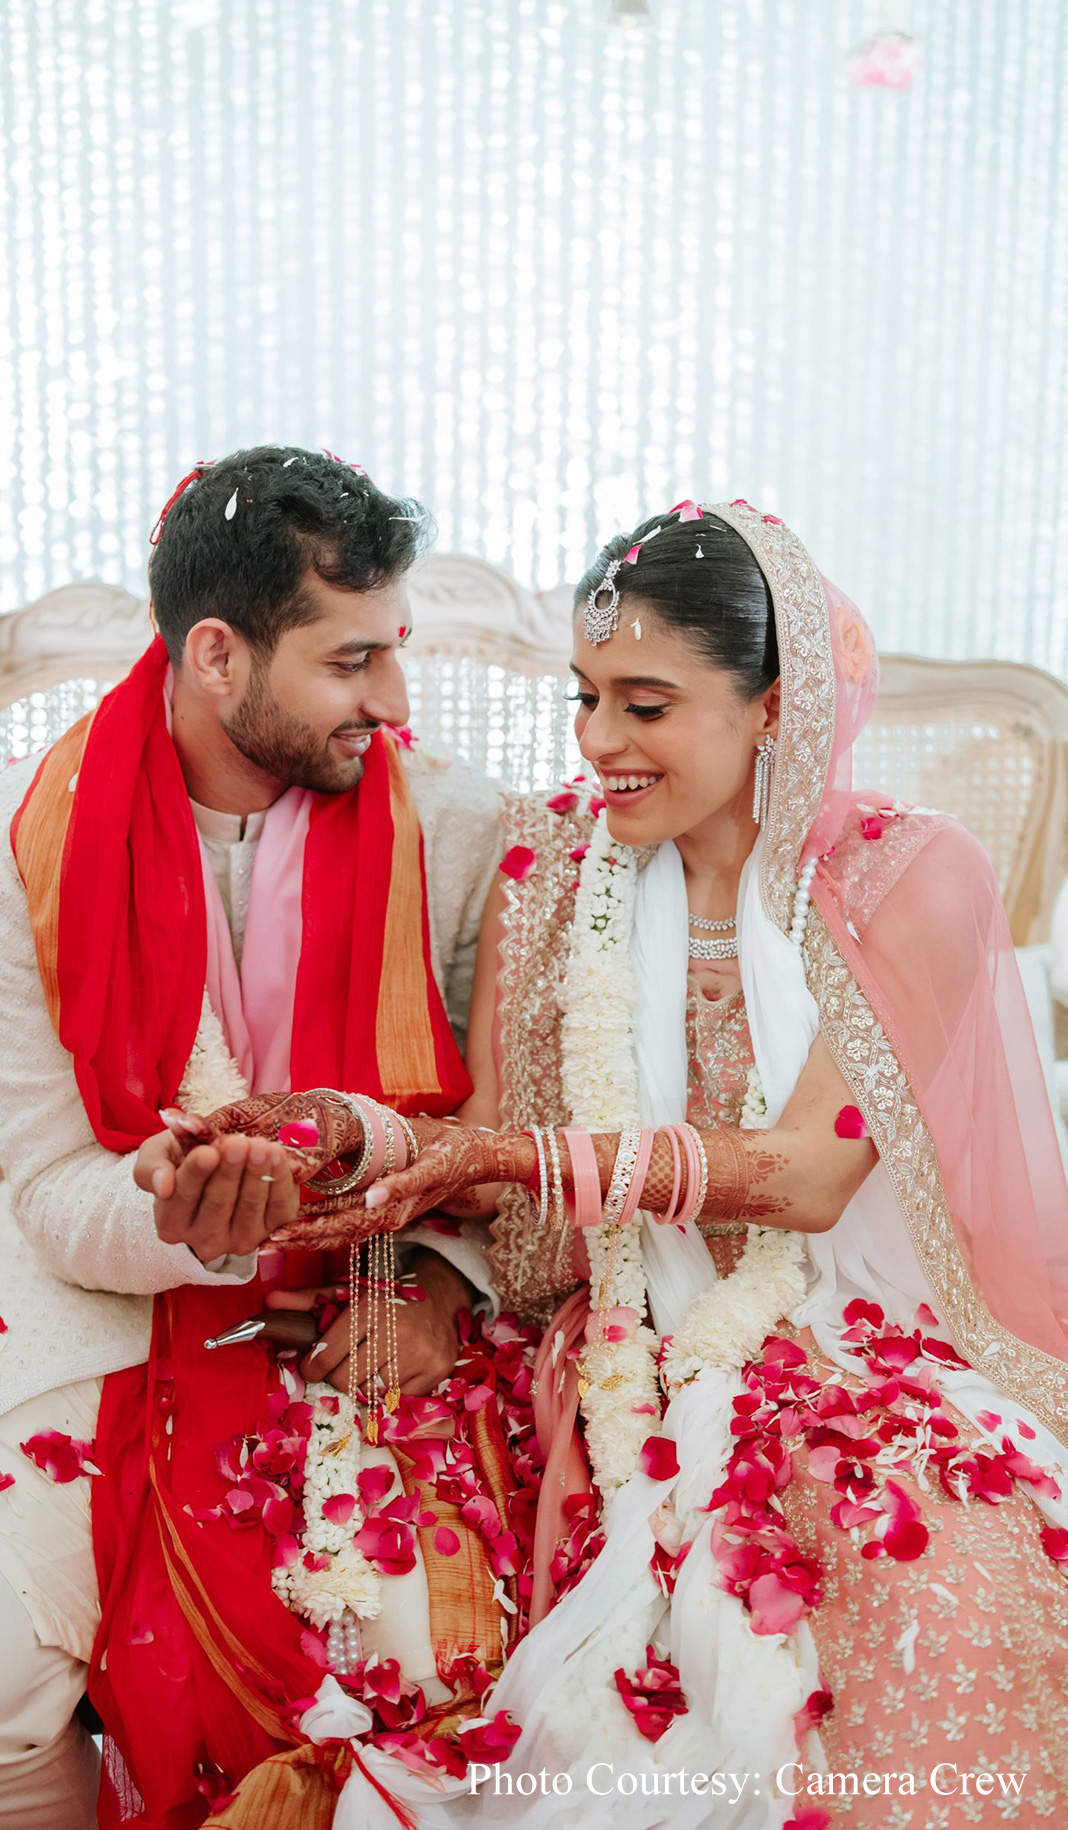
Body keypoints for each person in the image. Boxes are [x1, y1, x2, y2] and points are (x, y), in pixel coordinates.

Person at [284, 500, 1068, 1825]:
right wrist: (366, 1155)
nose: (598, 741)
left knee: (937, 1581)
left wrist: (509, 1152)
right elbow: (509, 1179)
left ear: (773, 704)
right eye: (585, 697)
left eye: (645, 705)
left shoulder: (914, 878)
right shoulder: (547, 870)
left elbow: (806, 1179)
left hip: (858, 1329)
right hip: (624, 1335)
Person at [0, 447, 516, 1830]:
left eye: (398, 653)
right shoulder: (9, 842)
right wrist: (178, 1213)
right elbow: (51, 1179)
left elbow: (494, 1126)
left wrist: (443, 1278)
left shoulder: (456, 824)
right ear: (218, 653)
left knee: (413, 1694)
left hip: (361, 1295)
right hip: (87, 1296)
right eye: (353, 661)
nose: (393, 701)